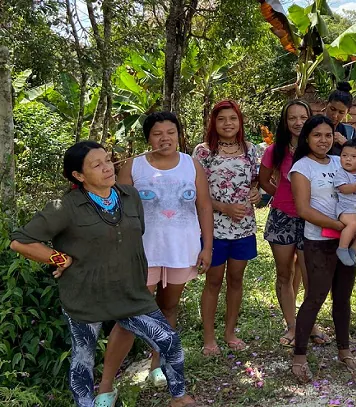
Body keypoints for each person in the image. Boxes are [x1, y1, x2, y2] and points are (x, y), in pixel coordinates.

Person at [9, 141, 197, 407]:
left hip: (130, 291)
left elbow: (135, 235)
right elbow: (20, 241)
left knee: (168, 340)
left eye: (107, 160)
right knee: (84, 357)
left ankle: (179, 397)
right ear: (79, 175)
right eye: (96, 165)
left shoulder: (130, 196)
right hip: (85, 295)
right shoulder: (65, 206)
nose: (107, 167)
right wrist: (60, 258)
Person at [99, 112, 213, 391]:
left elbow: (204, 206)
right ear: (148, 138)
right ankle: (105, 385)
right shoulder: (133, 166)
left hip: (181, 249)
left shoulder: (192, 165)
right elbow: (117, 208)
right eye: (158, 133)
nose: (165, 138)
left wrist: (207, 246)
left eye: (171, 132)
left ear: (179, 135)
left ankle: (156, 366)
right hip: (142, 251)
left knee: (168, 308)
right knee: (130, 315)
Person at [289, 115, 356, 383]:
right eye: (317, 135)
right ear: (307, 137)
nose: (323, 140)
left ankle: (344, 350)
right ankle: (299, 356)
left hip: (347, 240)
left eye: (328, 135)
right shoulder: (301, 168)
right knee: (315, 296)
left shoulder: (339, 161)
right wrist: (339, 226)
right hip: (318, 241)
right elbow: (303, 209)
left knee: (343, 297)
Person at [259, 100, 330, 348]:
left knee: (311, 274)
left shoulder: (317, 148)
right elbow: (264, 180)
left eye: (303, 117)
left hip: (311, 217)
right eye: (292, 118)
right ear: (285, 121)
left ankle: (310, 323)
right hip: (282, 218)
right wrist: (280, 194)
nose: (298, 122)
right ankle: (292, 325)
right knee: (284, 274)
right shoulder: (275, 150)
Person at [193, 100, 261, 354]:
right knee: (213, 281)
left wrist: (256, 193)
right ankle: (209, 338)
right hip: (214, 229)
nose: (228, 123)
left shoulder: (250, 149)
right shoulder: (203, 152)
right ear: (213, 123)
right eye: (221, 119)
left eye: (233, 118)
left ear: (240, 121)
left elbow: (256, 181)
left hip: (243, 227)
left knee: (236, 279)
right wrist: (224, 207)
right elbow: (195, 193)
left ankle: (230, 332)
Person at [325, 81, 356, 156]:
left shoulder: (350, 133)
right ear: (326, 104)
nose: (335, 116)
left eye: (341, 112)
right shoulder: (312, 126)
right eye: (332, 109)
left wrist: (345, 143)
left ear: (347, 112)